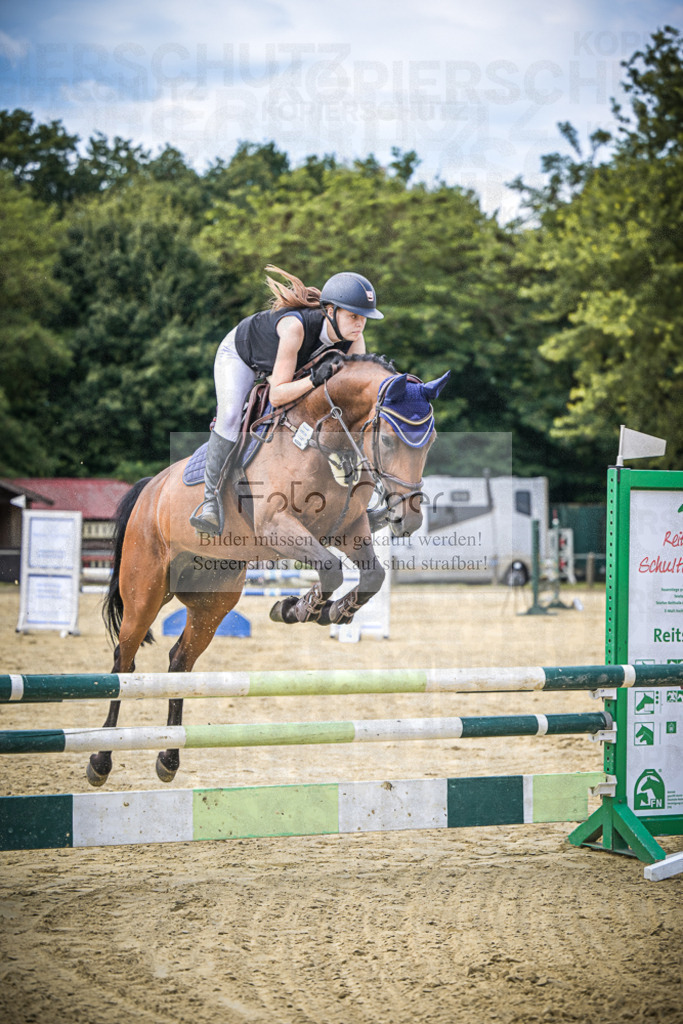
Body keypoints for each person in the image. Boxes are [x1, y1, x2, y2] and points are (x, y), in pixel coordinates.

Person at [189, 265, 384, 535]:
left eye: (364, 318)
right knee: (231, 416)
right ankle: (209, 501)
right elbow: (277, 395)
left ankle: (363, 502)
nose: (360, 324)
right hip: (241, 356)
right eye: (353, 316)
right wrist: (315, 380)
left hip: (290, 365)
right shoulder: (295, 327)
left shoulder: (354, 339)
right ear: (330, 311)